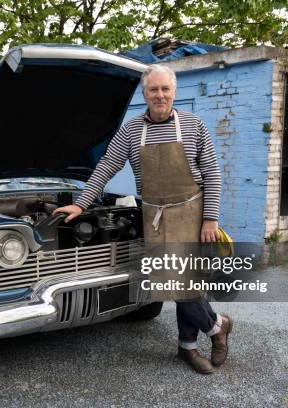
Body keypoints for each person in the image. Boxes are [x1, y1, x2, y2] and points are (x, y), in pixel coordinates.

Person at [54, 64, 232, 374]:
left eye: (165, 89)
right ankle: (216, 327)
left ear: (174, 92)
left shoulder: (194, 125)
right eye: (153, 89)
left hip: (191, 212)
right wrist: (81, 204)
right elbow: (108, 164)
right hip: (154, 216)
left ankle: (193, 344)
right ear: (145, 93)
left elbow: (214, 175)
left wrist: (210, 220)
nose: (160, 95)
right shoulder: (132, 129)